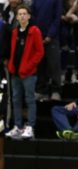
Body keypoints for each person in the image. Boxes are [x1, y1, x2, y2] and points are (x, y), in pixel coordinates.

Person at [5, 4, 44, 140]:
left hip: (28, 73)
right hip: (15, 72)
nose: (22, 16)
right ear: (16, 17)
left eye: (24, 14)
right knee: (16, 100)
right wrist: (11, 66)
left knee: (29, 99)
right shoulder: (15, 32)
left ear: (28, 16)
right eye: (19, 14)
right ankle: (17, 126)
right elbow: (13, 51)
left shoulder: (34, 31)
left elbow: (39, 53)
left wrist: (28, 67)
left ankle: (31, 127)